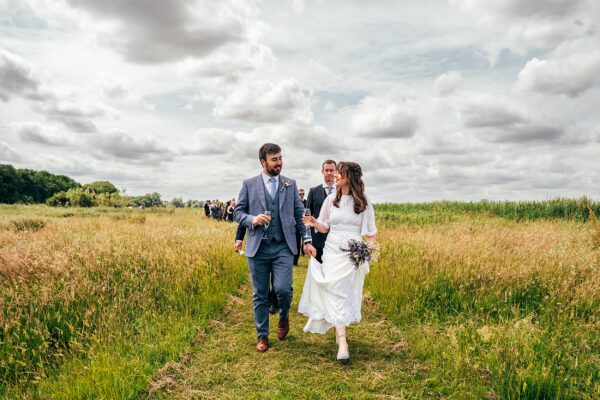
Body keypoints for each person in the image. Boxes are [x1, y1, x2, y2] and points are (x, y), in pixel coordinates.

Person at [234, 143, 314, 352]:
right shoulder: (249, 184)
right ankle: (262, 336)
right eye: (274, 160)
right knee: (259, 293)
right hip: (257, 248)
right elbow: (238, 213)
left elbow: (299, 215)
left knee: (283, 290)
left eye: (280, 158)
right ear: (263, 162)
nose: (279, 163)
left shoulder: (290, 184)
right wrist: (253, 219)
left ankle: (284, 316)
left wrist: (306, 241)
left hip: (282, 247)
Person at [299, 161, 377, 361]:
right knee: (334, 290)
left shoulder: (364, 201)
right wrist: (313, 222)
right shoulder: (331, 200)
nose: (335, 176)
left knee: (343, 294)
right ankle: (342, 341)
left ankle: (339, 333)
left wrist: (366, 253)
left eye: (339, 173)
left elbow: (371, 232)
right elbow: (324, 227)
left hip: (352, 254)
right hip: (332, 251)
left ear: (349, 176)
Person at [234, 223, 280, 314]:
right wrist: (239, 239)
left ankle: (274, 301)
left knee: (277, 274)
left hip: (278, 242)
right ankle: (265, 299)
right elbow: (244, 217)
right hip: (258, 243)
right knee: (262, 277)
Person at [306, 160, 337, 263]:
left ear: (336, 172)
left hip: (336, 240)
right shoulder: (313, 191)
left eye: (331, 170)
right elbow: (307, 217)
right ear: (322, 172)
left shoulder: (342, 191)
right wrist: (307, 241)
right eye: (326, 170)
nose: (329, 173)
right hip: (317, 240)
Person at [293, 188, 308, 266]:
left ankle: (304, 253)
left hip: (305, 224)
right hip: (296, 225)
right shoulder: (294, 203)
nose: (301, 195)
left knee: (305, 241)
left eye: (303, 194)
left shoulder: (306, 202)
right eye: (300, 194)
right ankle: (295, 261)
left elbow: (308, 212)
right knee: (296, 243)